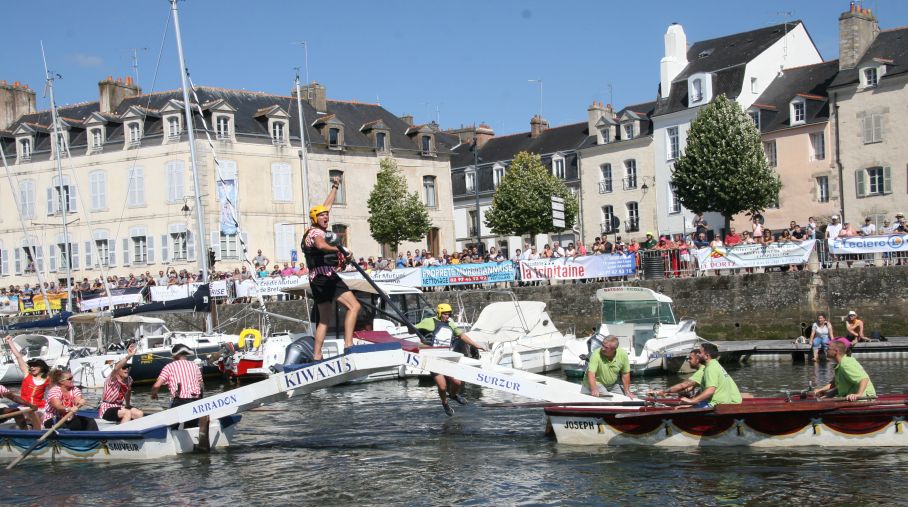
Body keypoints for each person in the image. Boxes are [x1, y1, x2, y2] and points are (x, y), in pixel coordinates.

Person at [302, 175, 361, 360]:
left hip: (315, 279)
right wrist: (341, 250)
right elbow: (320, 245)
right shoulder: (316, 232)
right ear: (315, 218)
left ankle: (317, 356)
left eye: (327, 216)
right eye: (322, 216)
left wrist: (335, 187)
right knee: (354, 306)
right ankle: (348, 345)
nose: (326, 217)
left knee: (325, 320)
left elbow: (326, 205)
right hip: (325, 277)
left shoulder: (311, 229)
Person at [415, 304, 486, 416]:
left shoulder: (450, 324)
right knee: (442, 387)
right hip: (434, 360)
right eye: (444, 314)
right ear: (439, 313)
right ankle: (445, 403)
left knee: (457, 382)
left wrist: (476, 345)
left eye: (448, 314)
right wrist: (419, 335)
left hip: (447, 358)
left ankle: (453, 395)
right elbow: (413, 329)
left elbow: (462, 336)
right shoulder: (429, 321)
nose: (447, 316)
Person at [151, 344, 210, 449]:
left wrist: (154, 393)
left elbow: (157, 385)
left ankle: (168, 445)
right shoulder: (194, 366)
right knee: (190, 426)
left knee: (171, 427)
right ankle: (192, 444)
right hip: (196, 401)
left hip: (180, 401)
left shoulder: (169, 367)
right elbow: (201, 384)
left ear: (174, 356)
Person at [4, 335, 49, 429]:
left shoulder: (47, 379)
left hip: (39, 408)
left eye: (35, 365)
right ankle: (28, 427)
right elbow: (18, 356)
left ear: (42, 367)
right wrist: (10, 342)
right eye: (31, 366)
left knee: (42, 418)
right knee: (23, 417)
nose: (32, 367)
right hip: (24, 407)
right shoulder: (26, 374)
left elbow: (56, 392)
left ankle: (36, 428)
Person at [679, 343, 741, 407]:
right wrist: (694, 397)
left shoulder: (710, 368)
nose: (697, 354)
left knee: (683, 410)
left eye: (699, 353)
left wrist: (693, 401)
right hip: (724, 401)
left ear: (707, 356)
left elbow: (710, 390)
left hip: (717, 405)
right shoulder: (715, 364)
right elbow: (706, 388)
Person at [99, 344, 144, 424]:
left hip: (119, 407)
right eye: (124, 367)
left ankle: (134, 433)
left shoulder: (129, 380)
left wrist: (127, 404)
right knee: (127, 413)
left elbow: (128, 391)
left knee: (139, 414)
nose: (126, 369)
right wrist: (129, 356)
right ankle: (122, 434)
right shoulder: (112, 379)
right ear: (118, 370)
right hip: (107, 409)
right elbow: (116, 368)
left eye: (127, 367)